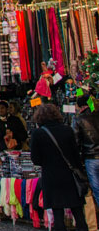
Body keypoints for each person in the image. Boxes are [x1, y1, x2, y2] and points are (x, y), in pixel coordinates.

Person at [30, 103, 88, 231]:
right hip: (69, 176)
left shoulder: (37, 133)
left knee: (58, 214)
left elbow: (35, 159)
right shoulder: (67, 130)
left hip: (51, 177)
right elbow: (75, 154)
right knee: (78, 212)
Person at [73, 94, 99, 206]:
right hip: (92, 156)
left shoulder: (78, 120)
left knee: (97, 188)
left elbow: (75, 141)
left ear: (79, 106)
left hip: (91, 157)